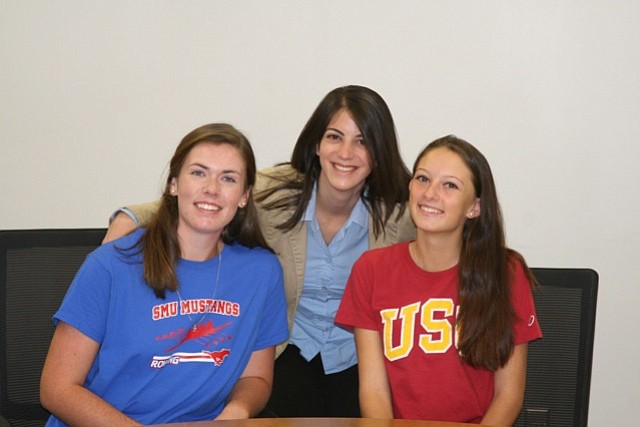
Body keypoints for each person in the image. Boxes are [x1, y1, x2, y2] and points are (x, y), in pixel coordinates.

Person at [101, 85, 416, 417]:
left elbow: (450, 221)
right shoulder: (275, 192)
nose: (346, 153)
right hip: (288, 353)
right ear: (317, 144)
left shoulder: (398, 213)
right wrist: (131, 217)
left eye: (362, 141)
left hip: (359, 361)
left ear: (379, 152)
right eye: (335, 137)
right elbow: (208, 196)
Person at [40, 123, 289, 426]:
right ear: (173, 185)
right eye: (198, 173)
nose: (212, 188)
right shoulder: (111, 266)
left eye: (228, 178)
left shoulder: (261, 272)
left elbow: (255, 376)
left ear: (244, 196)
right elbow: (57, 389)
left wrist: (234, 413)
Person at [335, 135, 542, 425]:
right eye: (422, 179)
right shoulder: (371, 269)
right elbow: (374, 391)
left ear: (475, 207)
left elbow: (509, 395)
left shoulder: (506, 272)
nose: (430, 194)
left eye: (450, 185)